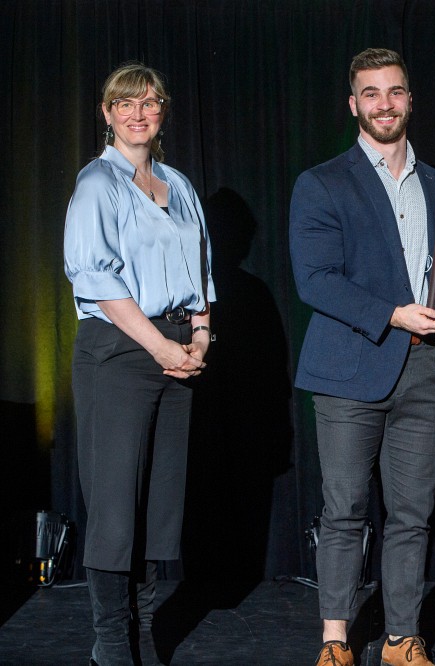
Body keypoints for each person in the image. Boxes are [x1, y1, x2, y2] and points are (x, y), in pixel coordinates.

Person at [289, 48, 435, 666]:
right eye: (371, 93)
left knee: (412, 514)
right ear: (354, 103)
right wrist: (392, 314)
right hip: (349, 366)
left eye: (394, 91)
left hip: (426, 364)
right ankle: (335, 642)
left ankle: (400, 639)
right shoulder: (322, 182)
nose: (384, 103)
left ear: (410, 100)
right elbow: (315, 280)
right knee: (345, 510)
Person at [64, 62, 215, 665]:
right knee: (115, 501)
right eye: (124, 103)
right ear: (107, 113)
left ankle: (143, 628)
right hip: (121, 350)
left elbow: (201, 270)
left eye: (149, 102)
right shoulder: (98, 183)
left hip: (179, 348)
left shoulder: (178, 185)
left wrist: (200, 339)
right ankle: (110, 642)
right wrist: (159, 346)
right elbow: (94, 276)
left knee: (159, 504)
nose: (137, 112)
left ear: (163, 111)